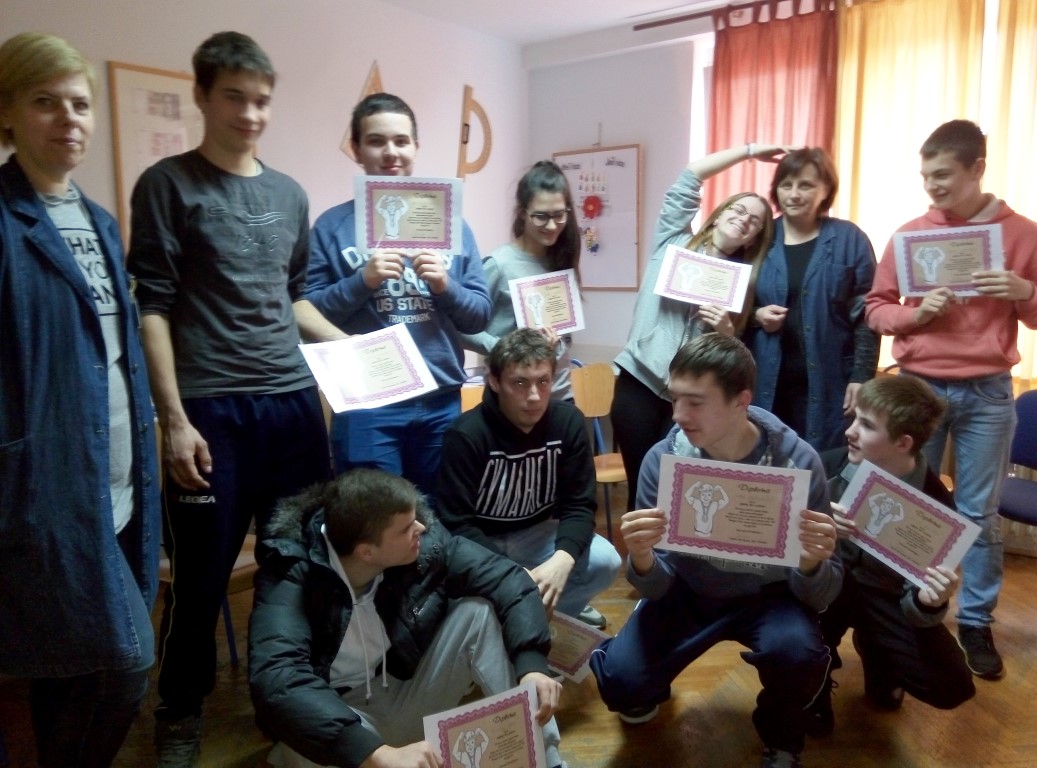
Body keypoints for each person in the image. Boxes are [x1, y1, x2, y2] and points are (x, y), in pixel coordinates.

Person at [127, 32, 344, 765]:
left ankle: (289, 698)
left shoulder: (289, 194)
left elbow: (294, 300)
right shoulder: (168, 184)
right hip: (211, 412)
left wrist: (358, 350)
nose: (249, 114)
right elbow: (152, 307)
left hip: (292, 408)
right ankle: (180, 711)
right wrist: (173, 419)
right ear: (201, 96)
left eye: (261, 100)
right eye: (234, 97)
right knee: (201, 579)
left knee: (298, 566)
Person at [0, 32, 160, 767]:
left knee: (76, 666)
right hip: (49, 489)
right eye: (45, 102)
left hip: (121, 483)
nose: (68, 118)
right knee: (125, 662)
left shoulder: (98, 220)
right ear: (9, 113)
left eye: (80, 104)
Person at [590, 334, 841, 768]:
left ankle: (782, 736)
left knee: (798, 654)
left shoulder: (798, 462)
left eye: (695, 402)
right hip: (687, 589)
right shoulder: (663, 460)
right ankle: (644, 680)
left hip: (768, 597)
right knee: (620, 683)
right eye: (675, 399)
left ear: (741, 400)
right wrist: (643, 558)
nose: (677, 415)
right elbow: (655, 585)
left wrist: (811, 562)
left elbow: (823, 593)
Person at [865, 119, 1037, 681]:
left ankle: (976, 622)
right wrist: (916, 315)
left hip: (988, 391)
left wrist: (1026, 292)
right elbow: (876, 309)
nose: (932, 186)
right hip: (918, 387)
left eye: (942, 175)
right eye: (925, 176)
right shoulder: (910, 235)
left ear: (977, 168)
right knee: (903, 501)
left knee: (978, 512)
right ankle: (900, 611)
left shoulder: (1022, 234)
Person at [248, 469, 564, 768]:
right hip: (342, 718)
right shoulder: (290, 574)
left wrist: (532, 667)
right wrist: (374, 754)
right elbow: (279, 679)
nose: (421, 528)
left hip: (403, 690)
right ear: (367, 552)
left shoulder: (424, 546)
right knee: (300, 729)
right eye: (406, 528)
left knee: (478, 613)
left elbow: (508, 579)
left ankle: (547, 761)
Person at [306, 92, 490, 495]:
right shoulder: (332, 226)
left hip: (441, 399)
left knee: (437, 516)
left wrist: (445, 286)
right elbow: (307, 313)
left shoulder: (452, 224)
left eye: (401, 141)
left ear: (415, 147)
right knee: (373, 519)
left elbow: (479, 315)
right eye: (376, 141)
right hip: (367, 404)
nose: (391, 152)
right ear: (357, 150)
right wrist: (362, 281)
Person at [612, 143, 785, 509]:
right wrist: (750, 151)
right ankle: (639, 547)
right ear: (719, 215)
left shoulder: (741, 282)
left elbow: (731, 354)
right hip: (639, 381)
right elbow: (690, 176)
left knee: (676, 490)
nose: (744, 219)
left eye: (754, 221)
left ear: (753, 237)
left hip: (691, 397)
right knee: (640, 488)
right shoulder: (673, 240)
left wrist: (725, 330)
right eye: (738, 210)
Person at [806, 375, 975, 737]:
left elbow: (919, 595)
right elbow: (786, 545)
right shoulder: (824, 468)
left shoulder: (939, 510)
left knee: (951, 685)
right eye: (855, 419)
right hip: (828, 588)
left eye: (866, 425)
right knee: (799, 627)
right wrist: (816, 523)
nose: (850, 431)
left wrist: (930, 602)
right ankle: (814, 681)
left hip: (886, 599)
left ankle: (878, 652)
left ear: (903, 442)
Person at [437, 328, 621, 628]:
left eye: (543, 382)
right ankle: (515, 622)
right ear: (494, 381)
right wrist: (510, 572)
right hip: (480, 539)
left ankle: (554, 619)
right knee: (467, 601)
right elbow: (456, 523)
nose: (534, 396)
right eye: (520, 383)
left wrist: (562, 559)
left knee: (606, 560)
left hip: (535, 533)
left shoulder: (568, 422)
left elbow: (579, 505)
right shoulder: (466, 434)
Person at [746, 147, 878, 451]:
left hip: (830, 385)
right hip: (766, 384)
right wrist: (755, 315)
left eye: (805, 185)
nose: (794, 194)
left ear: (825, 190)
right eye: (786, 185)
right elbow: (732, 303)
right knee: (768, 464)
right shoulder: (758, 238)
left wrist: (861, 376)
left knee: (825, 466)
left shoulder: (850, 239)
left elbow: (867, 316)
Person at [460, 160, 581, 400]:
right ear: (522, 213)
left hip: (560, 394)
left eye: (559, 215)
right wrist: (506, 348)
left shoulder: (560, 259)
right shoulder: (499, 264)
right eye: (541, 216)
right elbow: (460, 328)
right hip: (514, 401)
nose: (551, 225)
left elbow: (563, 336)